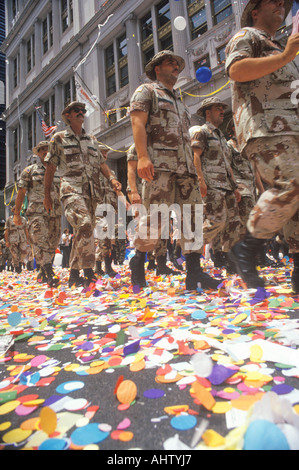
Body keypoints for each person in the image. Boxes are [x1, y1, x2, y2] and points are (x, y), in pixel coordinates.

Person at [129, 50, 221, 291]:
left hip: (185, 170)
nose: (176, 67)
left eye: (177, 64)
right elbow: (137, 122)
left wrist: (197, 175)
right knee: (154, 221)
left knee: (193, 221)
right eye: (170, 63)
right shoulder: (147, 91)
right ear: (157, 68)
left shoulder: (179, 101)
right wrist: (142, 157)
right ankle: (138, 262)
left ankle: (195, 274)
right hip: (159, 167)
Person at [225, 0, 299, 290]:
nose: (281, 6)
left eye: (284, 3)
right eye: (274, 2)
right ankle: (247, 247)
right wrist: (286, 55)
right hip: (265, 126)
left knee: (296, 201)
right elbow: (237, 71)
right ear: (255, 10)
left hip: (291, 128)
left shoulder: (281, 47)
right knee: (290, 185)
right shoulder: (247, 36)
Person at [43, 101, 122, 288]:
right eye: (76, 110)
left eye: (83, 110)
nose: (81, 112)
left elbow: (102, 164)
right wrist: (47, 195)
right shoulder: (58, 139)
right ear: (68, 116)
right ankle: (88, 272)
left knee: (82, 231)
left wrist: (111, 179)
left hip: (92, 192)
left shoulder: (92, 140)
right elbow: (51, 168)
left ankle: (73, 273)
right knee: (85, 225)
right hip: (71, 189)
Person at [190, 97, 242, 272]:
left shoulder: (221, 136)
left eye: (222, 108)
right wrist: (200, 181)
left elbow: (227, 164)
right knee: (215, 222)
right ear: (207, 113)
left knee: (233, 225)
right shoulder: (202, 132)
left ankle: (232, 264)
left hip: (227, 186)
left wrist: (235, 187)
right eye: (217, 108)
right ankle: (191, 250)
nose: (221, 111)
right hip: (212, 185)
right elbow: (195, 156)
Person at [13, 141, 62, 286]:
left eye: (48, 149)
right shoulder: (30, 170)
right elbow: (21, 192)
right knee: (40, 240)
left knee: (53, 242)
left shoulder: (59, 170)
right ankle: (49, 271)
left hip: (55, 212)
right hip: (37, 212)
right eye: (42, 150)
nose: (46, 151)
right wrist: (16, 213)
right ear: (38, 153)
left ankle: (42, 269)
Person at [4, 206, 29, 273]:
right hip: (12, 239)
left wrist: (28, 239)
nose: (17, 211)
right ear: (13, 211)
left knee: (24, 252)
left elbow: (26, 230)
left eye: (18, 209)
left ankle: (20, 263)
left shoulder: (23, 219)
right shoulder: (9, 219)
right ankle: (17, 267)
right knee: (14, 254)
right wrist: (6, 241)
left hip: (22, 238)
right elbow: (6, 231)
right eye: (15, 210)